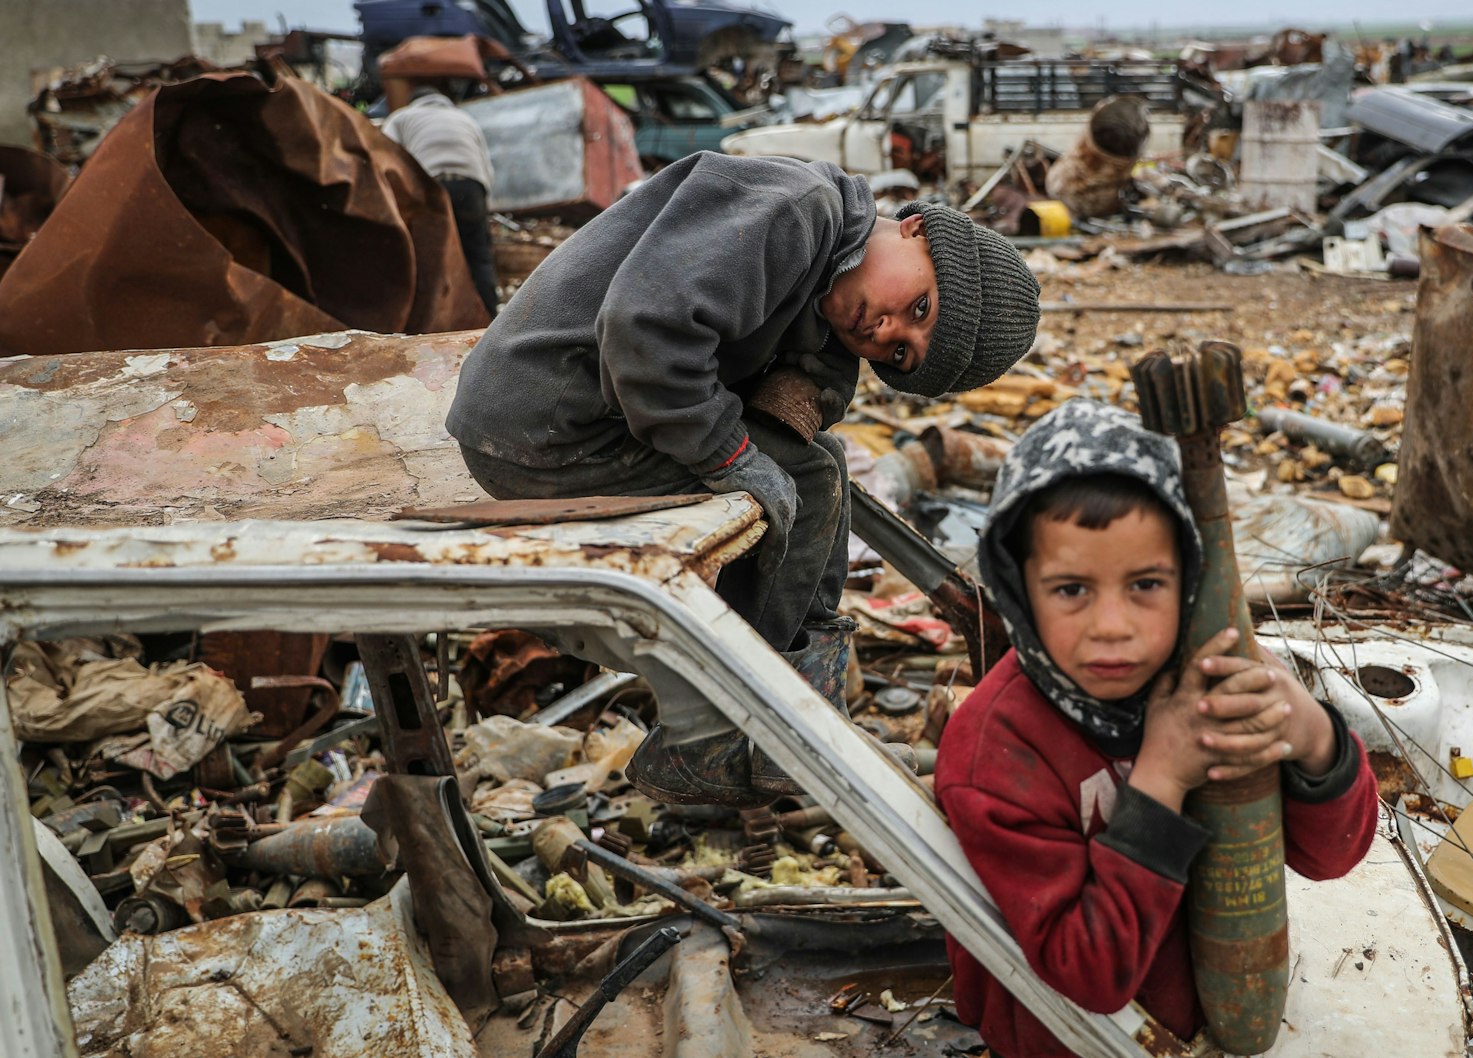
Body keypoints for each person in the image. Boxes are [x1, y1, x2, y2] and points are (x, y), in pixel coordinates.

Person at [447, 152, 1040, 805]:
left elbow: (812, 388)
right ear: (917, 229)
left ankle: (788, 720)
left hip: (577, 414)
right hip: (542, 425)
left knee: (819, 466)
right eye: (920, 307)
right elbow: (646, 329)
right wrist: (729, 454)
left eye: (900, 353)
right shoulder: (798, 209)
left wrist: (800, 394)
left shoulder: (829, 257)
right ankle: (714, 736)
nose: (887, 331)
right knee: (807, 480)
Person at [935, 400, 1378, 1058]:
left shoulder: (1209, 680)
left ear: (1188, 579)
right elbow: (1087, 976)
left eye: (1145, 583)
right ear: (1017, 588)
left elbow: (1331, 856)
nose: (1112, 626)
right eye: (1070, 590)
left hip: (1211, 1016)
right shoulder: (996, 753)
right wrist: (1162, 778)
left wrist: (1314, 738)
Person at [382, 85, 500, 314]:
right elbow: (487, 168)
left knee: (429, 256)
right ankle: (491, 318)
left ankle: (429, 320)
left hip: (433, 186)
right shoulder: (465, 118)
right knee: (479, 257)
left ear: (414, 102)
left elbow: (385, 155)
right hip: (472, 186)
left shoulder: (402, 117)